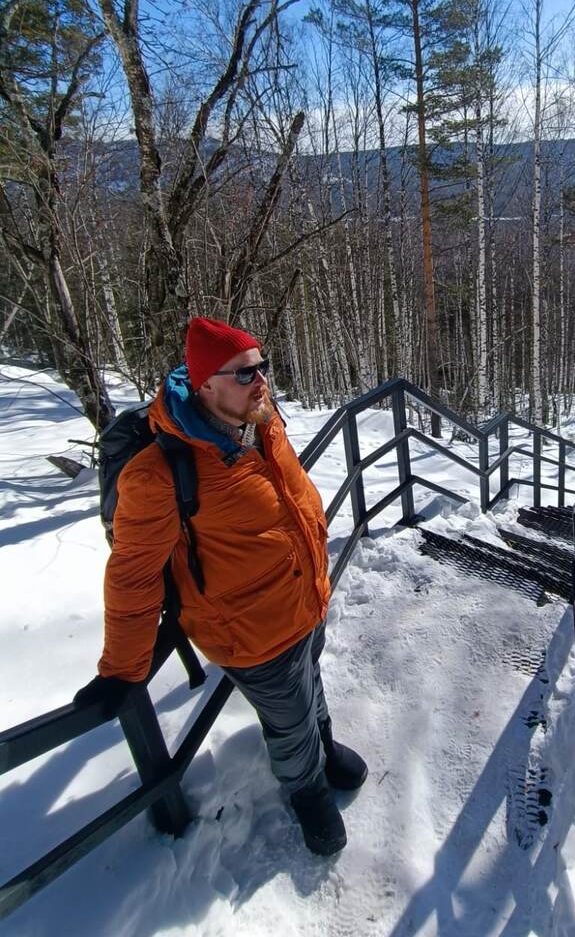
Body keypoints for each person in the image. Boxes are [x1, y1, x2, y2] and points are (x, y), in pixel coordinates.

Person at [75, 317, 366, 857]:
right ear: (206, 383)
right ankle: (307, 790)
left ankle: (323, 747)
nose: (263, 381)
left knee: (310, 683)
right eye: (246, 373)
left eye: (263, 366)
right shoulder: (160, 473)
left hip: (304, 599)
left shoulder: (261, 421)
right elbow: (134, 575)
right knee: (287, 718)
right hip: (252, 632)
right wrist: (122, 670)